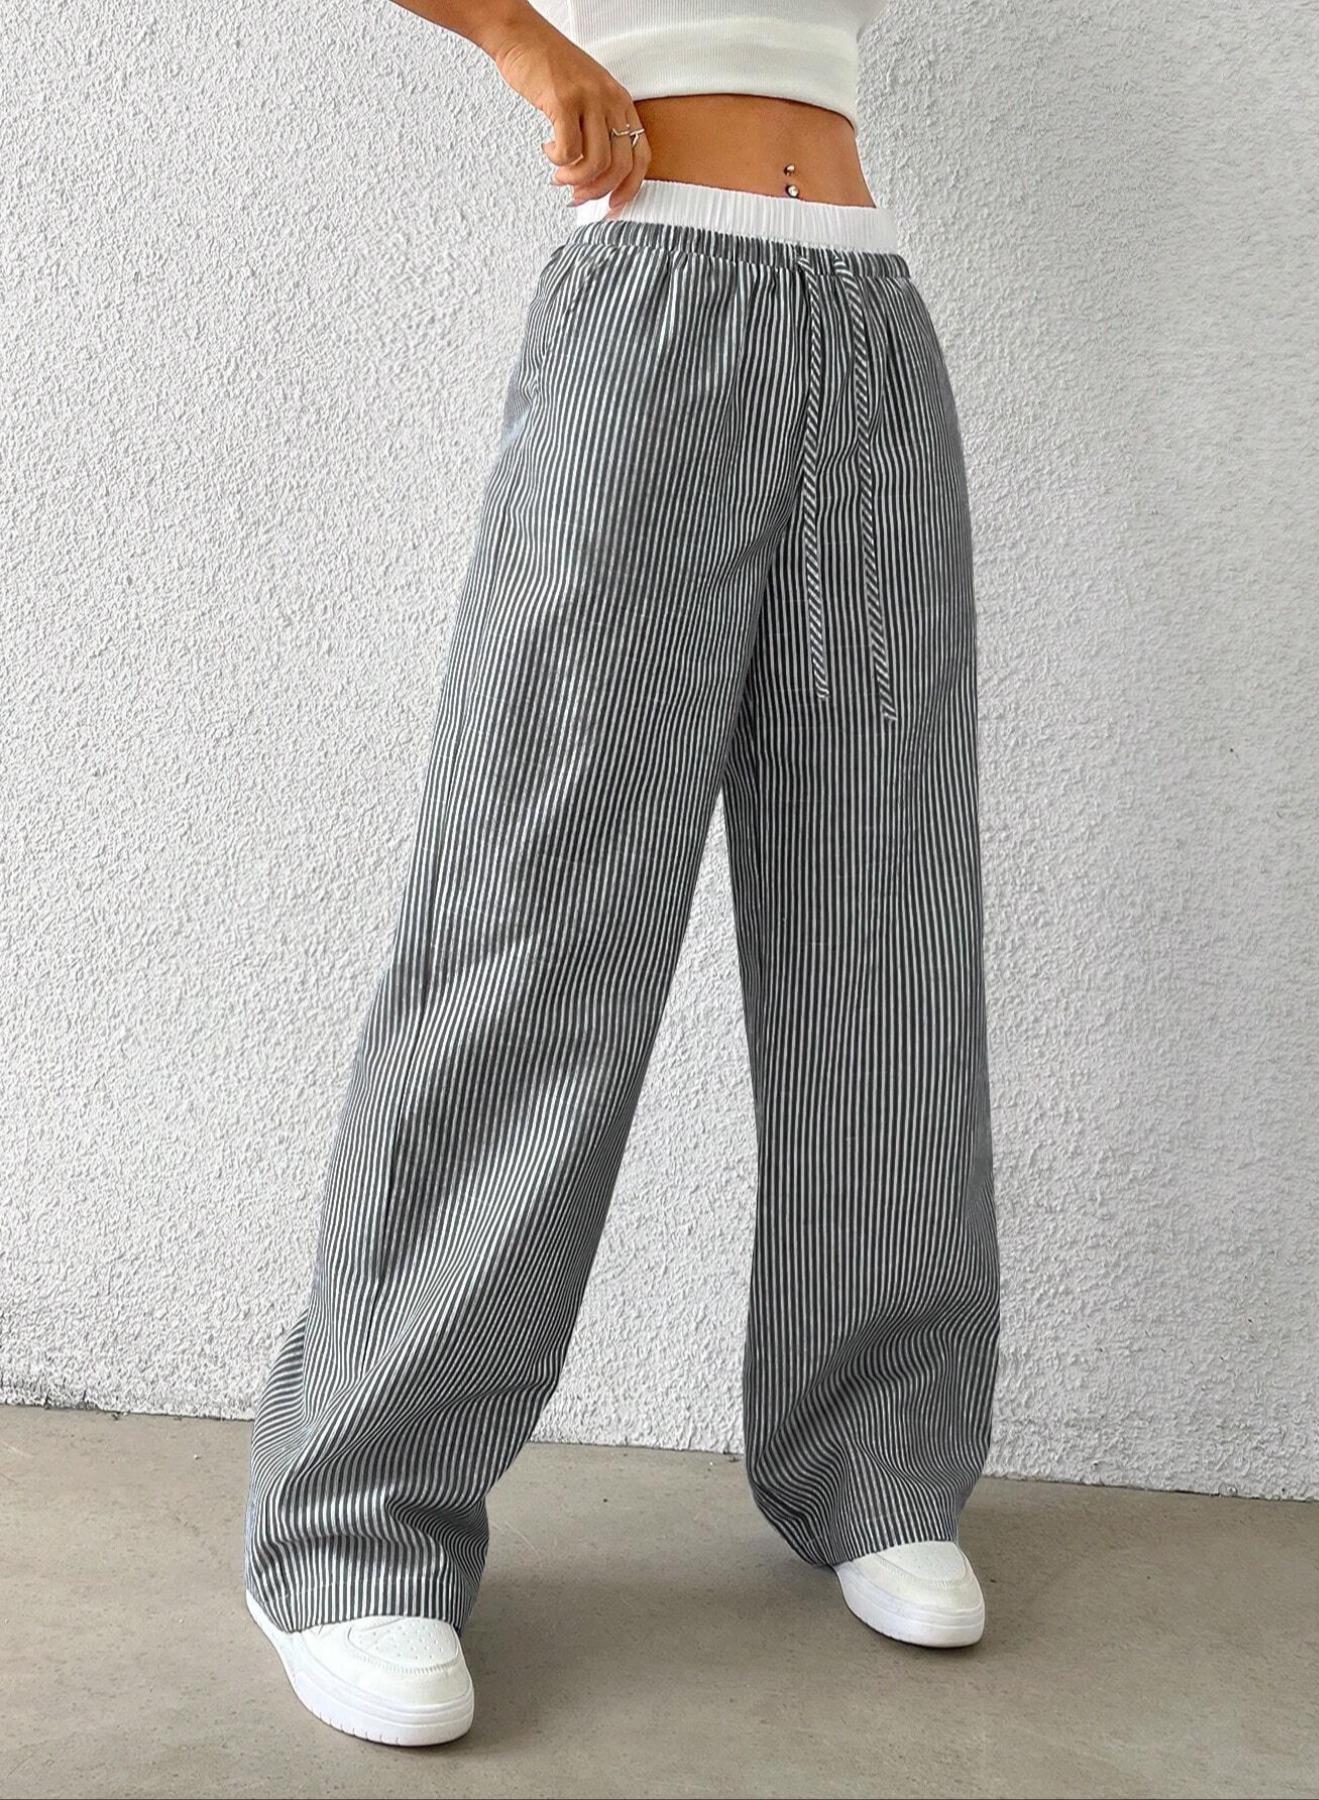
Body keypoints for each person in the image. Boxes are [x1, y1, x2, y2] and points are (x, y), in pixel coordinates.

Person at [241, 0, 999, 1748]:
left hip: (866, 316)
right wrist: (522, 41)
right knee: (534, 909)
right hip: (652, 303)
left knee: (883, 910)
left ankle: (875, 1458)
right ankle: (354, 1523)